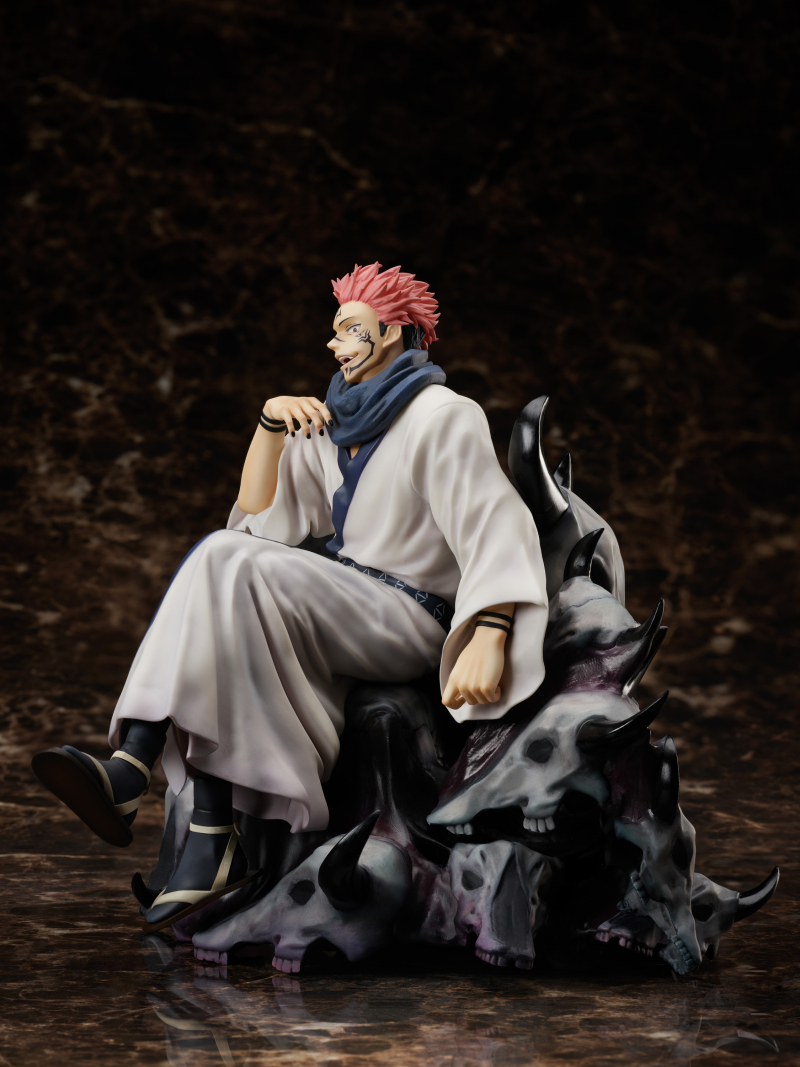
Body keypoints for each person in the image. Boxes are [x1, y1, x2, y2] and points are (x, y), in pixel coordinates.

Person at [32, 262, 549, 930]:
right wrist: (269, 426)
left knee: (226, 561)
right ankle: (206, 832)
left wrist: (492, 629)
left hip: (409, 615)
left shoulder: (442, 416)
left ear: (393, 332)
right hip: (343, 600)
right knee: (227, 572)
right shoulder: (336, 417)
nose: (335, 344)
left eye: (350, 329)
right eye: (335, 330)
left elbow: (495, 522)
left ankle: (134, 767)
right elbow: (261, 516)